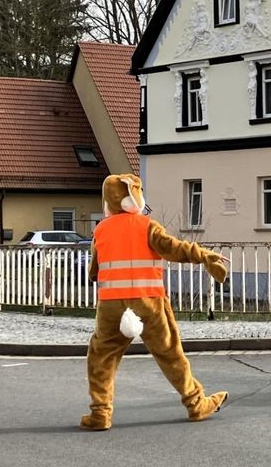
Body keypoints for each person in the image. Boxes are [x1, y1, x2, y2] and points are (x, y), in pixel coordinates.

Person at [82, 174, 230, 431]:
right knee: (170, 354)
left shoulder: (101, 230)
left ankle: (100, 413)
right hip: (148, 302)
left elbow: (94, 269)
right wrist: (205, 256)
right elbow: (175, 248)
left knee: (101, 357)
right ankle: (196, 405)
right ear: (134, 199)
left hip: (111, 306)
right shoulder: (147, 226)